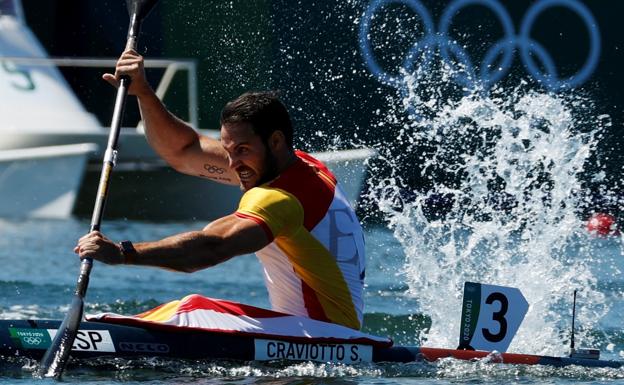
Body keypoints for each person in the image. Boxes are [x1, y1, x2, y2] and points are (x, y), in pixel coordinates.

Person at [75, 49, 367, 330]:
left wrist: (122, 252)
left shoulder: (278, 199)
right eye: (228, 150)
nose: (232, 163)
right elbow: (183, 150)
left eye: (241, 150)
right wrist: (143, 92)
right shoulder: (304, 167)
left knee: (192, 309)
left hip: (321, 338)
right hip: (333, 332)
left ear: (276, 141)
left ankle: (96, 333)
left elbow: (210, 248)